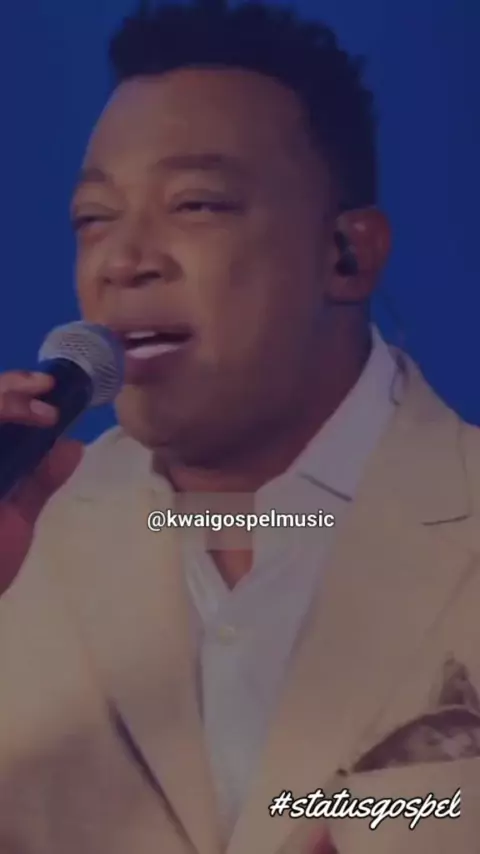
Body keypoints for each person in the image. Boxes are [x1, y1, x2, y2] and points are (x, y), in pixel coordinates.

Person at [0, 1, 479, 852]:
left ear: (348, 256)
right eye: (94, 218)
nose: (123, 261)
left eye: (196, 204)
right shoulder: (25, 537)